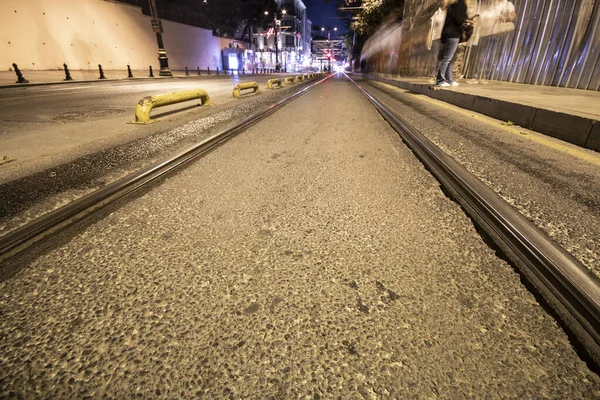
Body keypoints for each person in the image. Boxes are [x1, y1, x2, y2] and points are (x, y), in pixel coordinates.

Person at [436, 0, 468, 87]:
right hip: (453, 33)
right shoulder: (460, 3)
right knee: (447, 58)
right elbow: (457, 18)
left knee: (449, 58)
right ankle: (440, 80)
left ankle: (448, 79)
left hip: (449, 33)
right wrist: (466, 21)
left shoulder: (452, 4)